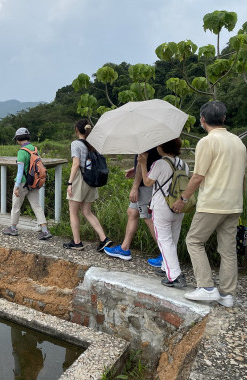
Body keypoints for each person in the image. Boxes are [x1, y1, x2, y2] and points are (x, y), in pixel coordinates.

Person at [173, 102, 247, 307]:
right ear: (224, 119)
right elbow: (242, 177)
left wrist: (183, 199)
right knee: (228, 250)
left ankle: (206, 287)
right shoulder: (239, 143)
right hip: (234, 204)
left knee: (194, 241)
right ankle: (227, 295)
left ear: (202, 119)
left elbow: (197, 177)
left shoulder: (207, 142)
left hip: (212, 203)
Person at [138, 138, 188, 288]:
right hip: (179, 206)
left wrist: (142, 163)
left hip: (162, 206)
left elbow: (147, 182)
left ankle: (175, 275)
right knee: (173, 239)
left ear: (163, 147)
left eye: (159, 145)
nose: (157, 147)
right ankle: (166, 268)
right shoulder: (183, 164)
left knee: (164, 240)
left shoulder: (160, 163)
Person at [104, 148, 160, 261]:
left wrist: (134, 187)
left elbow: (142, 161)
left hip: (146, 185)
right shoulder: (150, 137)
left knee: (149, 218)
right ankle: (124, 248)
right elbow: (147, 161)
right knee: (132, 212)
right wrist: (135, 168)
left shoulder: (145, 139)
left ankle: (166, 255)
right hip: (146, 181)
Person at [63, 119, 110, 251]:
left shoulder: (76, 144)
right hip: (92, 180)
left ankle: (77, 242)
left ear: (77, 130)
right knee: (87, 211)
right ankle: (103, 238)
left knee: (73, 212)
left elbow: (76, 164)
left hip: (80, 178)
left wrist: (70, 182)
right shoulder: (93, 144)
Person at [2, 128, 52, 240]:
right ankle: (44, 230)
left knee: (16, 206)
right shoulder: (34, 149)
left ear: (18, 139)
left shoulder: (21, 152)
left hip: (23, 183)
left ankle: (13, 228)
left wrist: (16, 187)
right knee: (37, 205)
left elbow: (20, 172)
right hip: (34, 182)